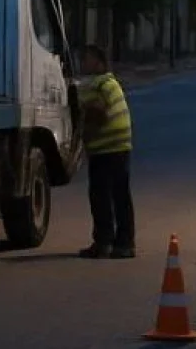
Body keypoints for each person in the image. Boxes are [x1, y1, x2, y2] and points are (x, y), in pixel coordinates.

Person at [77, 45, 135, 259]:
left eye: (87, 59)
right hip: (120, 145)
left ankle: (104, 242)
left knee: (100, 196)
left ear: (99, 62)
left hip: (106, 147)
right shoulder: (110, 82)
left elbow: (98, 113)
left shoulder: (97, 84)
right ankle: (124, 243)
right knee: (120, 195)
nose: (83, 63)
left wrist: (83, 123)